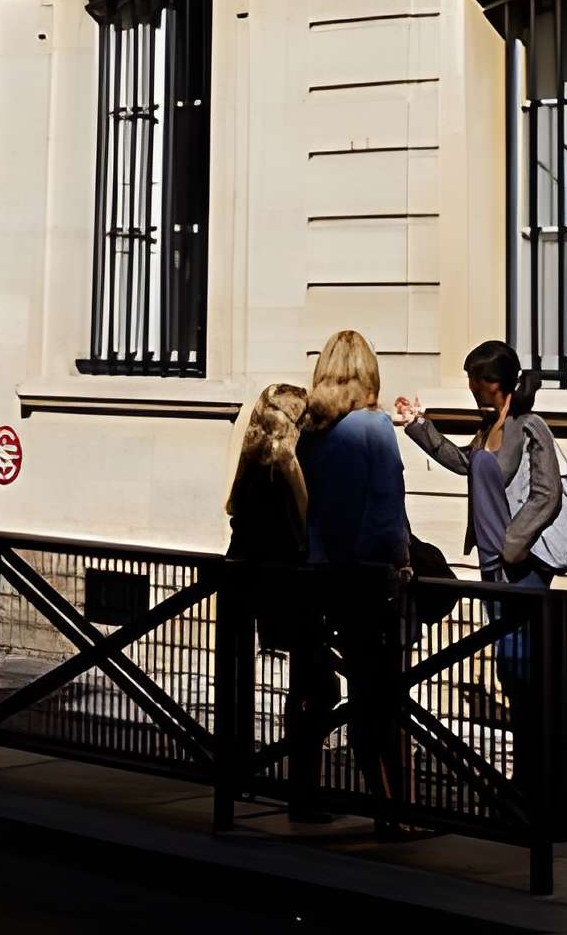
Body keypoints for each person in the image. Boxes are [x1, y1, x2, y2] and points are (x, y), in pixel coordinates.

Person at [395, 340, 563, 733]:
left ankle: (538, 755)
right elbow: (464, 464)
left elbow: (547, 493)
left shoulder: (529, 427)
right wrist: (419, 426)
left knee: (520, 662)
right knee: (511, 665)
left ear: (494, 382)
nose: (470, 386)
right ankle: (529, 757)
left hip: (519, 566)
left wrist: (513, 546)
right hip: (492, 565)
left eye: (475, 378)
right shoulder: (488, 427)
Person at [297, 328, 415, 821]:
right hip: (366, 578)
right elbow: (388, 509)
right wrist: (403, 560)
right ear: (368, 375)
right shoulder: (373, 426)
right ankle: (389, 807)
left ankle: (304, 793)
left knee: (312, 686)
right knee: (377, 692)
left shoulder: (310, 429)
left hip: (314, 576)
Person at [224, 383, 331, 818]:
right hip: (291, 593)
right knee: (317, 687)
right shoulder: (284, 473)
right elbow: (295, 539)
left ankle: (238, 781)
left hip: (252, 590)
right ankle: (301, 794)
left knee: (252, 688)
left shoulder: (251, 467)